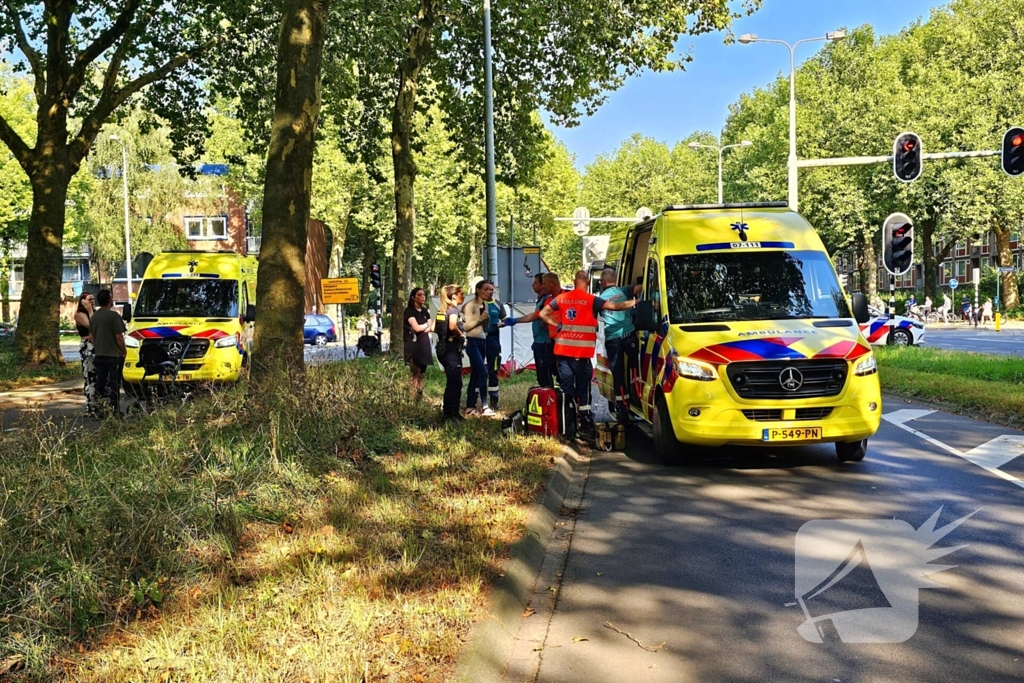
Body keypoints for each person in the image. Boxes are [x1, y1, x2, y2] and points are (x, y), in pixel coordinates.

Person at [539, 270, 637, 439]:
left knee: (567, 387)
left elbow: (542, 314)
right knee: (583, 389)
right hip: (581, 354)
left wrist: (557, 324)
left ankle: (568, 425)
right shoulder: (592, 300)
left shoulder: (562, 298)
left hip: (562, 352)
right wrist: (637, 302)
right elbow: (616, 306)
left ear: (574, 281)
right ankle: (584, 423)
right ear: (589, 280)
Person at [599, 268, 642, 422]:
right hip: (630, 334)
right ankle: (638, 396)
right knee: (635, 368)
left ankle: (623, 409)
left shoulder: (600, 298)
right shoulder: (624, 290)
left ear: (603, 283)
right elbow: (642, 287)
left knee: (618, 376)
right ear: (615, 280)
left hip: (613, 339)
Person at [502, 273, 559, 388]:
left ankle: (549, 399)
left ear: (544, 285)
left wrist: (516, 320)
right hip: (540, 341)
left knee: (545, 374)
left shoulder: (547, 300)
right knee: (543, 374)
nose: (533, 285)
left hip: (545, 342)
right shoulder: (542, 300)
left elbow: (536, 316)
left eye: (536, 283)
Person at [462, 280, 500, 417]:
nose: (489, 292)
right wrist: (480, 319)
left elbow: (484, 327)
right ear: (478, 290)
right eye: (486, 289)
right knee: (483, 372)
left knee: (476, 374)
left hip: (483, 341)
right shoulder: (470, 305)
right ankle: (485, 406)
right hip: (472, 342)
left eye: (491, 289)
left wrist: (489, 324)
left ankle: (470, 406)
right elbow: (465, 327)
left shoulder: (485, 305)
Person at [90, 289, 126, 417]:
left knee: (100, 382)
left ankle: (99, 409)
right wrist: (124, 350)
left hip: (100, 354)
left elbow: (92, 336)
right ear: (109, 300)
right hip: (114, 355)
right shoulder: (113, 316)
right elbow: (119, 336)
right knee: (114, 383)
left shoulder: (94, 317)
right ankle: (115, 409)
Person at [435, 284, 466, 423]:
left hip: (442, 348)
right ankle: (449, 415)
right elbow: (453, 325)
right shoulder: (453, 310)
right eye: (462, 294)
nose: (463, 296)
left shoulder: (442, 310)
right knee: (455, 383)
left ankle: (453, 412)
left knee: (454, 382)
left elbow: (433, 328)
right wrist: (461, 335)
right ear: (454, 296)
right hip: (451, 350)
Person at [403, 288, 432, 401]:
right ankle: (411, 399)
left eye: (424, 295)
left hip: (424, 344)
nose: (422, 297)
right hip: (413, 345)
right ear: (413, 297)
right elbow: (416, 327)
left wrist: (423, 327)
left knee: (422, 375)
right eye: (419, 295)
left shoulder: (425, 311)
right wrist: (425, 326)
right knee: (415, 374)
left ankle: (419, 399)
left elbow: (430, 327)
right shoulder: (409, 311)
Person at [74, 291, 99, 416]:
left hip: (97, 344)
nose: (92, 302)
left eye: (93, 299)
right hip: (88, 346)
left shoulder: (94, 313)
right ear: (82, 301)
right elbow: (92, 326)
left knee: (98, 376)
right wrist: (89, 310)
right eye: (89, 299)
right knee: (90, 375)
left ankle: (98, 404)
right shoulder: (80, 314)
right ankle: (90, 406)